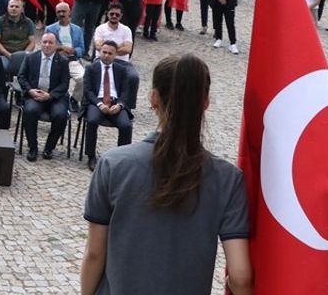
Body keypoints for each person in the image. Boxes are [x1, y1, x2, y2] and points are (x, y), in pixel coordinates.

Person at [81, 54, 251, 295]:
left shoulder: (113, 164)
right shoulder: (228, 179)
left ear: (153, 98)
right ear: (205, 102)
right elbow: (241, 277)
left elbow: (95, 253)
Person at [82, 42, 139, 171]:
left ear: (115, 55)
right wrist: (99, 104)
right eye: (104, 52)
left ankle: (121, 158)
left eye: (110, 53)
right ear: (100, 52)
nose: (106, 55)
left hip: (115, 102)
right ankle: (91, 156)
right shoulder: (91, 68)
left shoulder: (121, 70)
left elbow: (126, 91)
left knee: (126, 125)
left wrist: (120, 104)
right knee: (92, 121)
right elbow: (88, 91)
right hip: (97, 102)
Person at [19, 32, 70, 161]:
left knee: (61, 115)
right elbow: (22, 76)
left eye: (50, 43)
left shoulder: (63, 61)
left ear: (56, 45)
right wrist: (30, 91)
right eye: (44, 42)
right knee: (30, 112)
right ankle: (33, 148)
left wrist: (50, 95)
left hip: (54, 97)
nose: (47, 45)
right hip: (34, 95)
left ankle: (49, 148)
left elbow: (65, 84)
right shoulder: (31, 58)